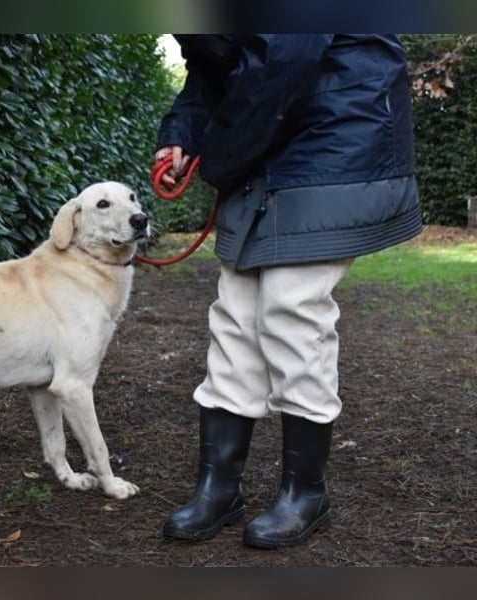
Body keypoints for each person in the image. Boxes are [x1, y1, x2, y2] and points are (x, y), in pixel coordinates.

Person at [155, 34, 422, 549]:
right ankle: (219, 488)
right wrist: (183, 132)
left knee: (290, 307)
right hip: (268, 139)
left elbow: (284, 61)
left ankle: (305, 493)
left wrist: (216, 158)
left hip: (335, 140)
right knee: (235, 312)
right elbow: (215, 64)